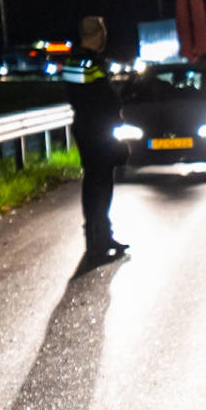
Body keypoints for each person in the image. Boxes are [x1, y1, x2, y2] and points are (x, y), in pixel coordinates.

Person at [61, 16, 128, 262]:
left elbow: (79, 96)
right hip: (97, 129)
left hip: (85, 126)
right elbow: (101, 95)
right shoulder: (91, 63)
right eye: (103, 32)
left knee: (95, 182)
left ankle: (99, 237)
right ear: (99, 34)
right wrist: (116, 112)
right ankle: (98, 241)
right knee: (100, 184)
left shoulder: (72, 61)